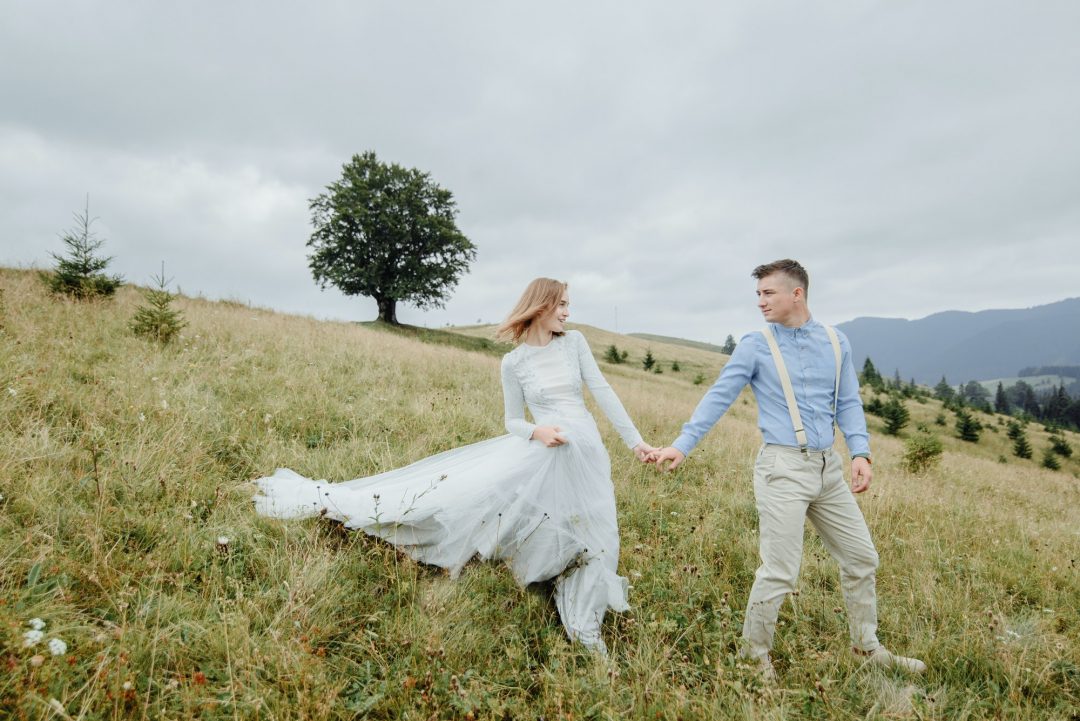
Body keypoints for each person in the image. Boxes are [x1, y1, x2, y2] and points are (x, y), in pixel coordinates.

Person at [254, 278, 655, 654]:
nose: (567, 313)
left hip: (585, 450)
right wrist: (537, 432)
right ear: (540, 306)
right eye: (562, 304)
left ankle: (581, 605)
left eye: (568, 305)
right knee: (472, 498)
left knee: (592, 523)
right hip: (544, 448)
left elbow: (602, 392)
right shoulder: (513, 363)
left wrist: (636, 443)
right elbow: (512, 421)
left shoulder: (575, 344)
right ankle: (382, 514)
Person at [648, 259, 926, 681]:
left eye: (768, 293)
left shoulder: (836, 341)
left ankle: (866, 647)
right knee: (780, 570)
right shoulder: (755, 344)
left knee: (862, 557)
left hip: (828, 468)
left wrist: (860, 454)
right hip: (782, 467)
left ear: (797, 294)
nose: (760, 301)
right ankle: (753, 656)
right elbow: (719, 396)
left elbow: (848, 401)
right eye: (758, 294)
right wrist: (683, 445)